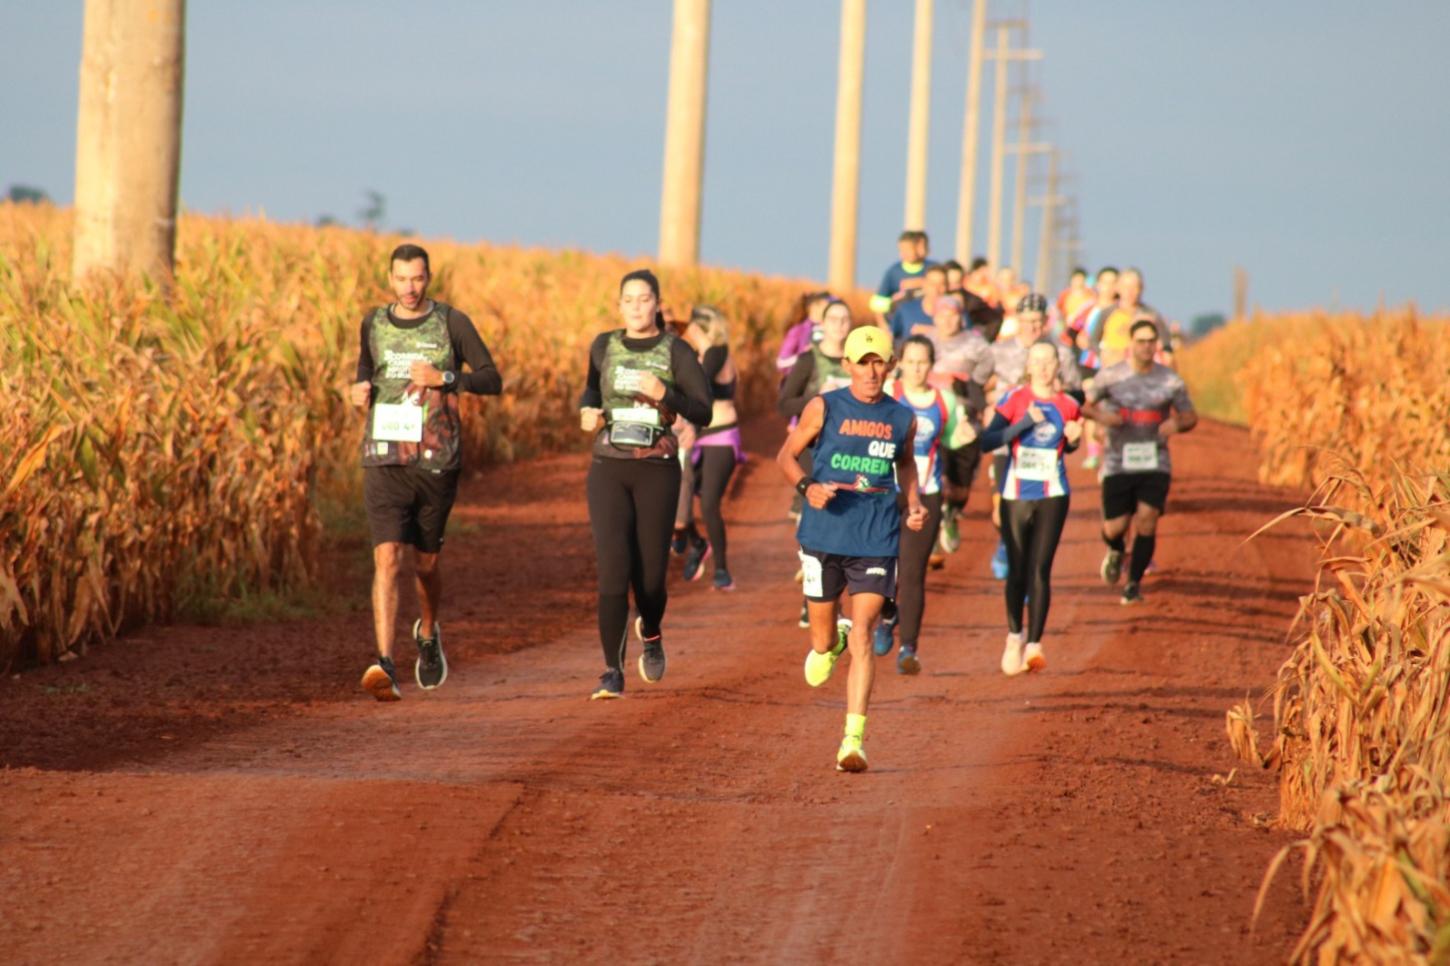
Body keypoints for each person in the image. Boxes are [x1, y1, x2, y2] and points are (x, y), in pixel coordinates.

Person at [351, 244, 503, 701]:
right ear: (390, 279)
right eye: (401, 279)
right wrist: (357, 391)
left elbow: (492, 378)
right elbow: (366, 369)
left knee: (426, 563)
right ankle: (385, 663)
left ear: (428, 278)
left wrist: (448, 379)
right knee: (386, 559)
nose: (410, 288)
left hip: (436, 459)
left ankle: (429, 630)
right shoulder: (373, 323)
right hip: (384, 456)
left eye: (417, 279)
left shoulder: (451, 322)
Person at [777, 326, 925, 772]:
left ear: (890, 365)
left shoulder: (903, 418)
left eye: (879, 361)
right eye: (863, 362)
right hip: (824, 535)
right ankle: (830, 639)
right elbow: (787, 456)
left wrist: (914, 504)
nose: (871, 370)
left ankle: (853, 741)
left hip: (876, 536)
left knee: (865, 633)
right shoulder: (825, 407)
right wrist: (807, 487)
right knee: (822, 643)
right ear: (847, 366)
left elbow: (906, 463)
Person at [579, 269, 712, 699]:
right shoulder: (604, 346)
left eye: (644, 299)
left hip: (656, 469)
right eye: (629, 300)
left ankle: (651, 631)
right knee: (614, 571)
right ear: (619, 306)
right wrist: (587, 411)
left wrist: (664, 394)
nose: (636, 307)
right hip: (609, 466)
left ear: (657, 304)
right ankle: (611, 671)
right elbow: (589, 392)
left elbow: (704, 409)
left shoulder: (676, 350)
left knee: (651, 579)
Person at [978, 343, 1083, 675]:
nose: (1042, 367)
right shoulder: (1014, 399)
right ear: (1027, 364)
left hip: (1054, 493)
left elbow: (1071, 444)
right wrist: (1022, 424)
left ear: (1057, 367)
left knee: (1040, 568)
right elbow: (987, 441)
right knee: (1017, 569)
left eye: (1048, 361)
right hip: (1016, 493)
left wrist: (1076, 438)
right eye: (1036, 360)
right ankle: (1014, 636)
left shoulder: (1069, 405)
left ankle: (1035, 645)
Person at [874, 335, 974, 673]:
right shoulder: (887, 396)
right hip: (884, 491)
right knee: (883, 566)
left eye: (923, 362)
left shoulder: (945, 401)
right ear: (899, 362)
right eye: (911, 361)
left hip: (926, 492)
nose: (917, 368)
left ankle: (909, 648)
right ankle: (888, 616)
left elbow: (955, 441)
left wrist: (964, 437)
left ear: (932, 365)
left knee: (913, 572)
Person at [1083, 318, 1198, 604]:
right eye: (1140, 341)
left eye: (1151, 341)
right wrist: (1100, 419)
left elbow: (1189, 415)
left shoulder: (1170, 380)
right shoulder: (1111, 377)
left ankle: (1132, 584)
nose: (1146, 347)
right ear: (1131, 344)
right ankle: (1115, 550)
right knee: (1115, 526)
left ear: (1156, 345)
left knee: (1147, 519)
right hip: (1117, 461)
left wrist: (1177, 424)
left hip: (1154, 461)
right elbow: (1083, 404)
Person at [984, 294, 1081, 578]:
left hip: (1045, 442)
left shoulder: (1061, 353)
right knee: (1003, 503)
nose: (1032, 327)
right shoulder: (999, 351)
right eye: (1026, 322)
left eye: (1038, 321)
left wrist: (1064, 397)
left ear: (1046, 322)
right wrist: (986, 404)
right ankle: (1008, 545)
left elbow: (1077, 395)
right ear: (1018, 322)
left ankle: (1027, 572)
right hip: (1007, 437)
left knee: (1038, 507)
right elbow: (978, 382)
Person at [675, 305, 743, 591]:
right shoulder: (702, 355)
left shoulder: (717, 352)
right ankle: (698, 543)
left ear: (699, 328)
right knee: (678, 497)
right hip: (697, 435)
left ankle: (722, 571)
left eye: (691, 326)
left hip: (721, 436)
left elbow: (698, 384)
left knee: (710, 503)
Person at [923, 293, 994, 555]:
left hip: (964, 421)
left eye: (953, 314)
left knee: (960, 487)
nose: (947, 320)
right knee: (934, 478)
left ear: (960, 317)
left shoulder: (976, 344)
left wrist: (970, 389)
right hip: (931, 418)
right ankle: (929, 536)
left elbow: (986, 374)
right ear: (935, 316)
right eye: (942, 314)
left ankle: (952, 513)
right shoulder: (925, 341)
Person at [868, 230, 935, 328]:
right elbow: (879, 303)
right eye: (901, 250)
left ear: (917, 247)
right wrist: (883, 325)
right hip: (900, 326)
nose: (904, 253)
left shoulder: (932, 268)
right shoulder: (894, 272)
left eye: (908, 249)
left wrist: (921, 283)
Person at [776, 290, 831, 382]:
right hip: (798, 384)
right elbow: (781, 363)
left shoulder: (830, 330)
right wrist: (804, 355)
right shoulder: (798, 331)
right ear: (814, 307)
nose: (830, 310)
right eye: (827, 307)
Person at [886, 263, 948, 345]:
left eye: (941, 284)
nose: (936, 289)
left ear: (947, 287)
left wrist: (931, 331)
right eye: (932, 284)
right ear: (924, 284)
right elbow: (889, 337)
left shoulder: (957, 312)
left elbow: (964, 340)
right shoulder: (905, 310)